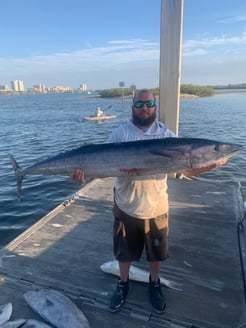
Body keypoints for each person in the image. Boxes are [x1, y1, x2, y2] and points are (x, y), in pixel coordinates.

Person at [71, 89, 226, 314]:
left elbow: (183, 172)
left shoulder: (168, 136)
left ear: (155, 106)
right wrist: (84, 174)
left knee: (157, 254)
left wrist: (209, 166)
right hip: (126, 206)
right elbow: (104, 169)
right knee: (124, 253)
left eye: (150, 103)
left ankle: (155, 284)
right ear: (132, 106)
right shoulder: (119, 134)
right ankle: (122, 284)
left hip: (156, 207)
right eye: (140, 103)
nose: (145, 107)